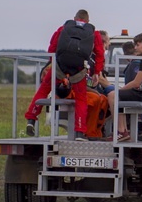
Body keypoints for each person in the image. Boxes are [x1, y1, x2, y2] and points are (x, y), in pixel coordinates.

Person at [24, 9, 105, 141]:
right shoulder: (93, 32)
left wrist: (52, 63)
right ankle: (79, 132)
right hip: (78, 72)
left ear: (74, 18)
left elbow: (52, 47)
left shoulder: (63, 28)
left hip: (59, 69)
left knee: (43, 90)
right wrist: (97, 72)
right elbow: (100, 53)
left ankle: (31, 119)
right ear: (88, 21)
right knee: (81, 100)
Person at [106, 32, 142, 142]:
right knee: (119, 95)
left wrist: (119, 90)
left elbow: (136, 83)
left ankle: (121, 131)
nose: (135, 48)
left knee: (113, 95)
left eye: (138, 45)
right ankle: (124, 131)